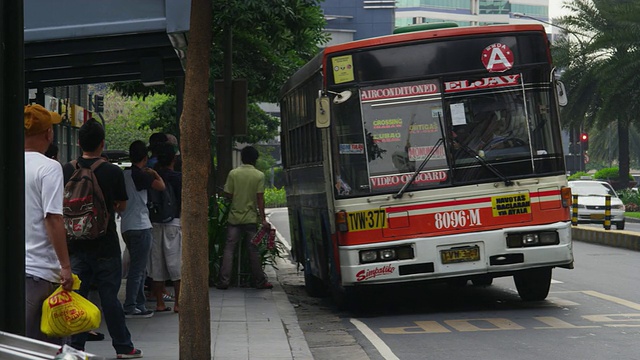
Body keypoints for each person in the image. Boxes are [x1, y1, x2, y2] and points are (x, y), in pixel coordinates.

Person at [62, 118, 143, 359]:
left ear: (78, 143)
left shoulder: (67, 169)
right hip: (105, 244)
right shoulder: (112, 171)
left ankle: (76, 348)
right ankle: (123, 347)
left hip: (75, 243)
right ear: (102, 143)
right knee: (109, 297)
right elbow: (122, 206)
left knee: (78, 297)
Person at [24, 104, 73, 343]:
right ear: (48, 134)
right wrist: (65, 266)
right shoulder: (49, 168)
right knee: (47, 346)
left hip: (15, 271)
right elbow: (53, 218)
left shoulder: (8, 165)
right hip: (40, 272)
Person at [217, 146, 273, 290]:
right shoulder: (259, 175)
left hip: (234, 218)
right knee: (253, 249)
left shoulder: (233, 174)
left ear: (242, 158)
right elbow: (260, 199)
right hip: (250, 219)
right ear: (255, 159)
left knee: (229, 248)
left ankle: (224, 281)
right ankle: (260, 281)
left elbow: (228, 194)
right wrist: (263, 219)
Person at [120, 140, 166, 318]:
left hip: (126, 225)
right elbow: (161, 186)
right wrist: (154, 172)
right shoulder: (144, 175)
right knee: (138, 269)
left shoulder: (124, 175)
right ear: (145, 158)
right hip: (141, 224)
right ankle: (131, 304)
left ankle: (138, 303)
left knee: (137, 267)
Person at [148, 143, 182, 313]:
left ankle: (160, 302)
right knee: (175, 262)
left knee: (157, 263)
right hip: (173, 222)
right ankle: (178, 302)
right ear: (173, 159)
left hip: (154, 222)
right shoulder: (178, 177)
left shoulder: (153, 176)